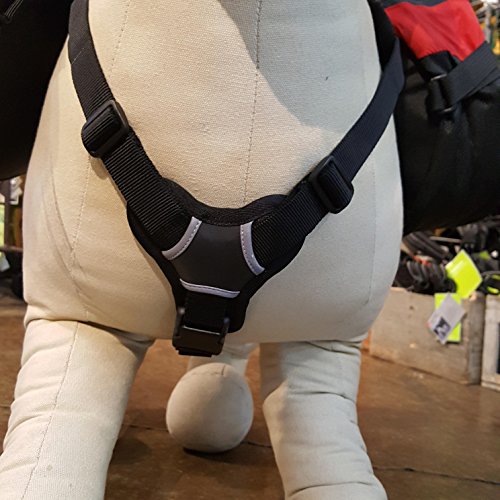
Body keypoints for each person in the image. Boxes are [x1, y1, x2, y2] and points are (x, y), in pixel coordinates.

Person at [0, 0, 402, 498]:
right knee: (320, 396)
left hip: (106, 219)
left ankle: (59, 446)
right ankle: (319, 449)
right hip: (332, 236)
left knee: (70, 374)